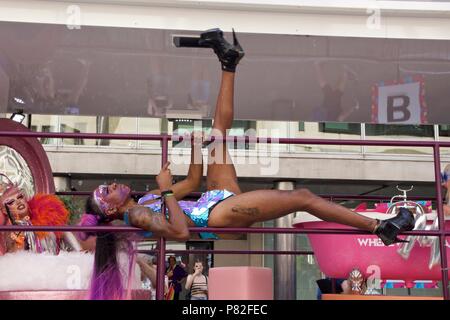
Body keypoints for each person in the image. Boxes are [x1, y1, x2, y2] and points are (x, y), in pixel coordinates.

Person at [81, 28, 415, 299]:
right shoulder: (137, 213)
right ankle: (381, 227)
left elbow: (192, 184)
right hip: (217, 217)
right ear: (110, 210)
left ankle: (228, 61)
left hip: (210, 202)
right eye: (106, 191)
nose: (111, 185)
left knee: (217, 136)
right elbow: (181, 231)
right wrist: (168, 189)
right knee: (303, 198)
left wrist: (196, 152)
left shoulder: (144, 199)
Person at [0, 173, 80, 255]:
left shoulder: (45, 213)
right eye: (11, 202)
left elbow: (64, 232)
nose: (18, 202)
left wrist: (80, 253)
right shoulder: (9, 231)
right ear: (4, 211)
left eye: (20, 197)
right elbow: (16, 258)